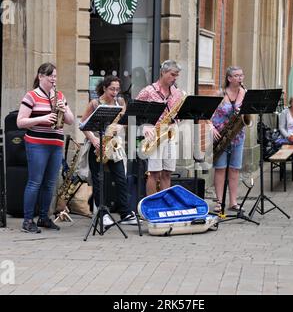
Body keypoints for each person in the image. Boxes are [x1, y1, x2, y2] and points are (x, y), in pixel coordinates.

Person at [17, 62, 74, 233]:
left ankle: (43, 217)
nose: (53, 80)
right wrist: (42, 118)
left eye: (55, 76)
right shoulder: (31, 96)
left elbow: (70, 120)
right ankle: (27, 221)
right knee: (35, 182)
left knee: (50, 184)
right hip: (37, 143)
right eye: (50, 76)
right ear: (40, 76)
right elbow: (20, 122)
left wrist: (65, 109)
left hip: (55, 144)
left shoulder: (60, 95)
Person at [80, 75, 137, 226]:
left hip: (114, 144)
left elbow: (124, 122)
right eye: (112, 89)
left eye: (117, 89)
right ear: (104, 88)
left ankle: (125, 213)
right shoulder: (95, 103)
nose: (115, 92)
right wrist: (94, 140)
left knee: (120, 178)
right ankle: (102, 214)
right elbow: (83, 124)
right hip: (97, 144)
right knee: (99, 180)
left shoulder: (120, 102)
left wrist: (120, 126)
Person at [136, 60, 183, 195]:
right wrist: (144, 126)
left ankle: (165, 204)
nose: (174, 78)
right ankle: (151, 205)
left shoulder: (177, 93)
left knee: (167, 172)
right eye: (172, 75)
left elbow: (178, 114)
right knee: (154, 173)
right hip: (155, 134)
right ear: (163, 72)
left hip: (170, 133)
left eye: (176, 76)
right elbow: (135, 113)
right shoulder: (148, 91)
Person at [210, 66, 246, 213]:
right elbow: (207, 114)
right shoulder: (219, 93)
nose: (240, 78)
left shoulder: (244, 93)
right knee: (220, 169)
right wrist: (211, 128)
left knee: (235, 169)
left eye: (241, 75)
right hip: (220, 135)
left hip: (238, 135)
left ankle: (233, 201)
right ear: (229, 78)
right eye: (236, 75)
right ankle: (218, 202)